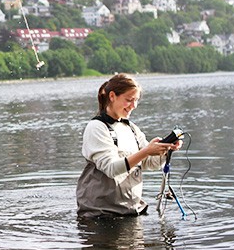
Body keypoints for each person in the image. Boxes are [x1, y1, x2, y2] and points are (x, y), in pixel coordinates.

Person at [76, 73, 182, 217]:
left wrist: (165, 150)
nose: (134, 106)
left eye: (136, 100)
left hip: (131, 210)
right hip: (100, 214)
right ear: (112, 96)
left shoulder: (131, 128)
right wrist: (146, 151)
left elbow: (150, 163)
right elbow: (111, 169)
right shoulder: (96, 127)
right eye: (129, 100)